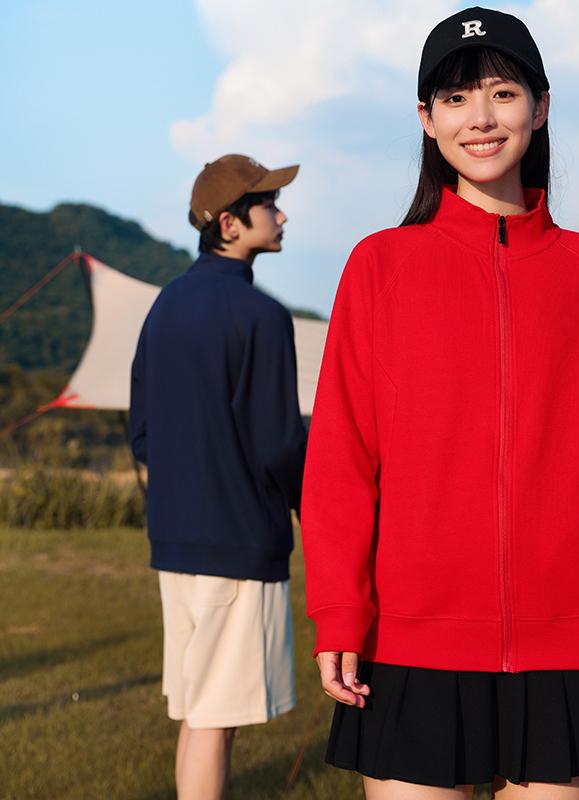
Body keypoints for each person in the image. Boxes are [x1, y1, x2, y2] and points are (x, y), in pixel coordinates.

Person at [301, 7, 579, 800]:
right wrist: (340, 610)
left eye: (503, 94)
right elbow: (341, 458)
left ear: (539, 108)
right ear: (426, 119)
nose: (480, 118)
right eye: (455, 99)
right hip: (412, 639)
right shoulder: (380, 266)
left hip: (567, 642)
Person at [129, 154, 307, 800]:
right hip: (237, 544)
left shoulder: (164, 307)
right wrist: (316, 505)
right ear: (229, 224)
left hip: (175, 543)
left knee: (200, 711)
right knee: (212, 718)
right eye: (269, 204)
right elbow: (279, 442)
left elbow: (142, 432)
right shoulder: (261, 316)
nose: (281, 215)